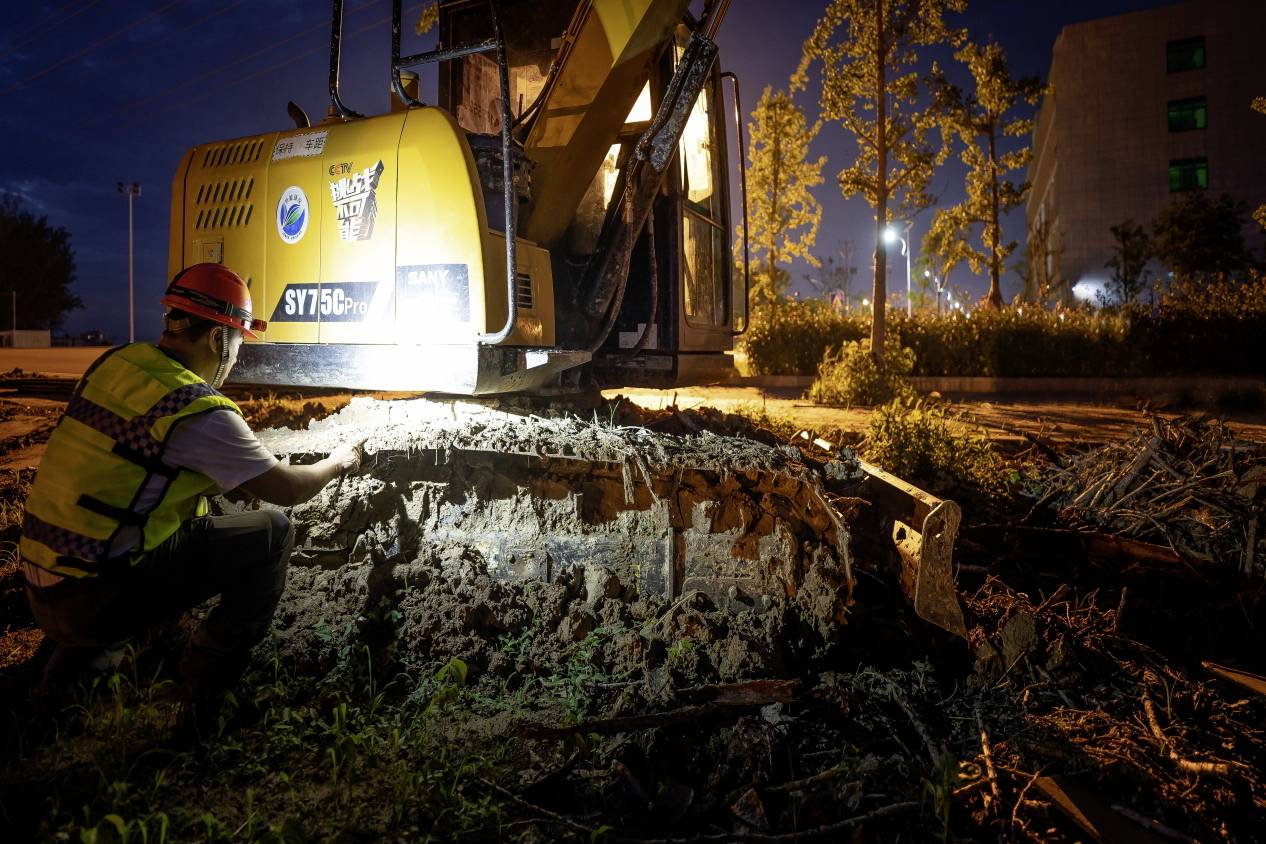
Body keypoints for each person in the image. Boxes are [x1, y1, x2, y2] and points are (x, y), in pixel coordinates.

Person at [20, 263, 363, 726]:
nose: (237, 355)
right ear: (217, 339)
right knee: (271, 534)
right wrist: (339, 461)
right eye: (238, 341)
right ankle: (207, 697)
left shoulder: (117, 364)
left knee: (138, 523)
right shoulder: (195, 409)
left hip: (43, 584)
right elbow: (286, 489)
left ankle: (62, 682)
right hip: (91, 602)